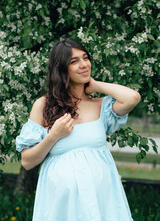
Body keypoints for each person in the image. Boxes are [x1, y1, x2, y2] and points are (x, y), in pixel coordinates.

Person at [16, 39, 140, 221]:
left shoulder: (101, 105)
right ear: (61, 68)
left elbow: (133, 98)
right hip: (61, 205)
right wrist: (53, 136)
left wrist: (96, 85)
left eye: (85, 58)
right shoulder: (43, 106)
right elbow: (27, 161)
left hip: (102, 200)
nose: (83, 65)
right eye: (74, 61)